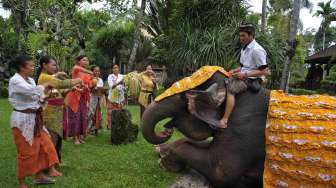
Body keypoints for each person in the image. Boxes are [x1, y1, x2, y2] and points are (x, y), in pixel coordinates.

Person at [8, 55, 60, 188]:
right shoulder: (15, 80)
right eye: (30, 66)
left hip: (35, 119)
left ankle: (40, 175)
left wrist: (45, 96)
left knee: (45, 146)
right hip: (22, 121)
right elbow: (30, 91)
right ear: (21, 67)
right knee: (27, 152)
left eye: (33, 65)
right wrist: (44, 86)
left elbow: (37, 95)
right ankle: (22, 182)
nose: (33, 68)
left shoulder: (31, 80)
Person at [218, 23, 269, 129]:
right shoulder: (244, 49)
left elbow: (264, 71)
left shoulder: (257, 50)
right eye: (240, 35)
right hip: (244, 75)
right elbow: (243, 66)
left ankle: (225, 120)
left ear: (251, 35)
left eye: (243, 35)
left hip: (252, 79)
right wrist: (233, 71)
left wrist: (245, 74)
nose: (241, 38)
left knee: (231, 89)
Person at [37, 55, 82, 162]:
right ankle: (48, 164)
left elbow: (58, 92)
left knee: (56, 138)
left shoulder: (50, 77)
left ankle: (54, 163)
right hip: (50, 113)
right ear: (44, 65)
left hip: (56, 113)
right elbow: (61, 84)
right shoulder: (44, 77)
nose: (55, 67)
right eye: (53, 65)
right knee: (51, 138)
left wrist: (70, 89)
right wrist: (78, 80)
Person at [66, 55, 93, 145]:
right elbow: (76, 67)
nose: (86, 61)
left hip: (83, 97)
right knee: (75, 117)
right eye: (83, 60)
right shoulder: (76, 69)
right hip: (74, 96)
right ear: (79, 61)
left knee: (82, 116)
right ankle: (75, 138)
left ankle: (80, 136)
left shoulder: (87, 74)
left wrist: (87, 86)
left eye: (87, 60)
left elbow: (88, 84)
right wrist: (89, 71)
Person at [107, 64, 125, 129]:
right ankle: (110, 126)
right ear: (112, 69)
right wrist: (119, 83)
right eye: (114, 68)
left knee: (120, 112)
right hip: (112, 98)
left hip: (120, 97)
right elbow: (111, 86)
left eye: (117, 68)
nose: (115, 69)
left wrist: (124, 85)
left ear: (118, 69)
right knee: (111, 112)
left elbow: (125, 86)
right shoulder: (110, 76)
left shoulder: (122, 76)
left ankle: (118, 125)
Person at [88, 66, 105, 135]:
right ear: (93, 71)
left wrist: (102, 90)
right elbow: (89, 88)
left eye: (98, 71)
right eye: (95, 71)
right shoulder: (91, 79)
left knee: (99, 113)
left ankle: (96, 128)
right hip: (93, 97)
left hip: (100, 97)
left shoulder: (100, 80)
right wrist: (93, 87)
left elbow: (101, 88)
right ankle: (88, 128)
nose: (97, 72)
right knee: (91, 112)